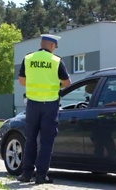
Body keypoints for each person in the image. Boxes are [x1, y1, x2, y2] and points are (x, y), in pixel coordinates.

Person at [17, 34, 71, 184]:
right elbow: (67, 83)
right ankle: (41, 176)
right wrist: (54, 84)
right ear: (53, 46)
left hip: (32, 104)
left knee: (30, 139)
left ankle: (26, 174)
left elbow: (22, 81)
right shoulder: (56, 61)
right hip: (50, 106)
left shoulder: (28, 58)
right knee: (46, 141)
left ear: (42, 44)